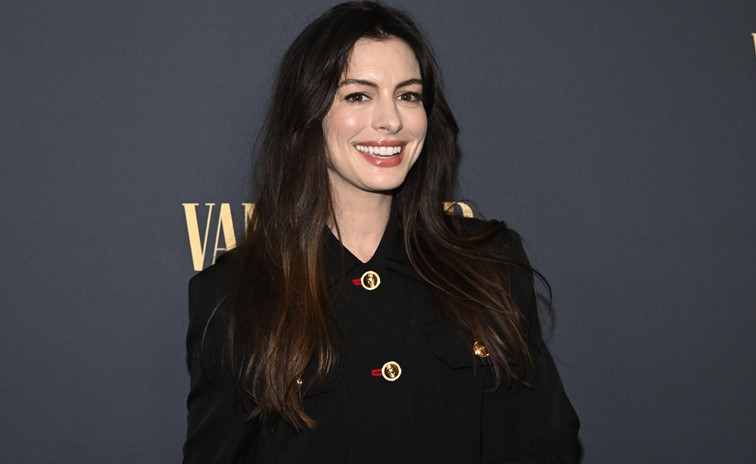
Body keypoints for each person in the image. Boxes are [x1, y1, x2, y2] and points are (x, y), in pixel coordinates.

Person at [183, 2, 579, 463]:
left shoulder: (489, 262)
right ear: (307, 112)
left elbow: (546, 439)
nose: (391, 120)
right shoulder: (234, 296)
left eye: (408, 95)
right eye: (358, 96)